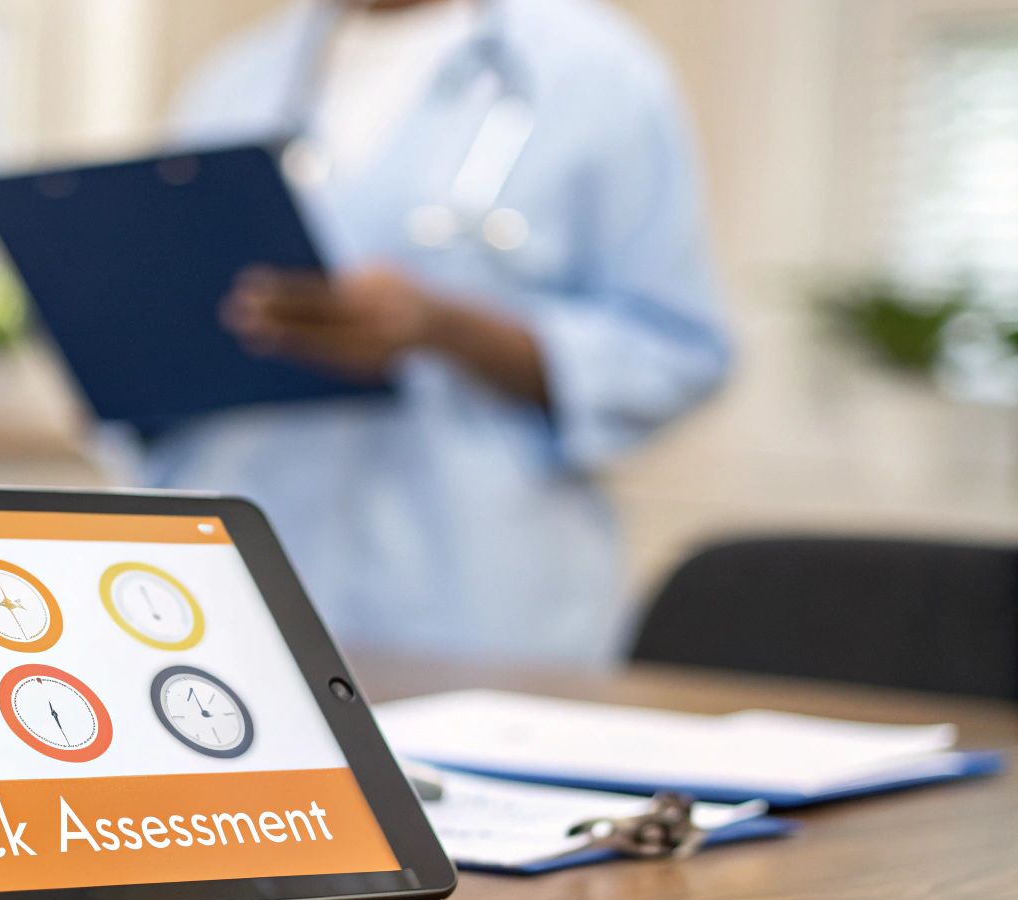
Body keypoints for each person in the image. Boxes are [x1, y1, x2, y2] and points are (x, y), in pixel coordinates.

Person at [142, 0, 730, 664]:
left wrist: (448, 330)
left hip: (476, 600)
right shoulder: (237, 80)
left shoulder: (595, 73)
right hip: (246, 586)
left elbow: (677, 349)